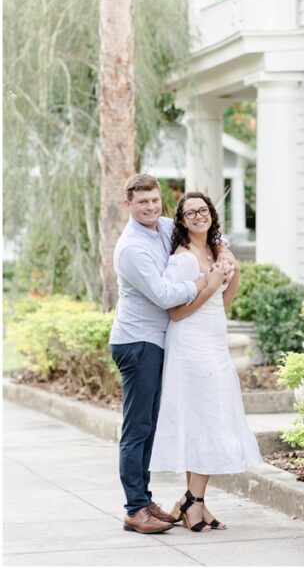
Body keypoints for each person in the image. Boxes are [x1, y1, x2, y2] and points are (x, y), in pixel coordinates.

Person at [109, 174, 225, 534]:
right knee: (138, 427)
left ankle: (145, 500)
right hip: (137, 341)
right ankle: (134, 508)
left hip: (157, 341)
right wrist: (204, 281)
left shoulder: (160, 227)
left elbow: (201, 232)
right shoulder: (131, 248)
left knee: (149, 424)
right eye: (142, 202)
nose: (150, 207)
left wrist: (223, 255)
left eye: (155, 200)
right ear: (128, 205)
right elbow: (162, 295)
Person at [149, 191, 263, 532]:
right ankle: (191, 502)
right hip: (190, 344)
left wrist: (233, 272)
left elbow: (223, 302)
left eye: (203, 210)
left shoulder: (217, 250)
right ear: (182, 221)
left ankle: (193, 503)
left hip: (214, 341)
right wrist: (211, 284)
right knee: (207, 420)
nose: (198, 216)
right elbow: (176, 312)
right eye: (190, 213)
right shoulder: (182, 259)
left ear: (211, 214)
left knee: (204, 422)